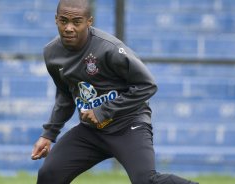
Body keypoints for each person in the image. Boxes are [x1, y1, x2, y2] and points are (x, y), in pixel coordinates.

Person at [31, 0, 199, 183]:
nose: (69, 28)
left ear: (89, 21)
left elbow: (147, 85)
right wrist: (49, 134)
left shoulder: (108, 48)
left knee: (146, 181)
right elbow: (65, 96)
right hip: (92, 131)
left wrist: (103, 111)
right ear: (56, 20)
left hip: (128, 126)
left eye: (76, 22)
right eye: (63, 21)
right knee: (49, 175)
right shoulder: (52, 54)